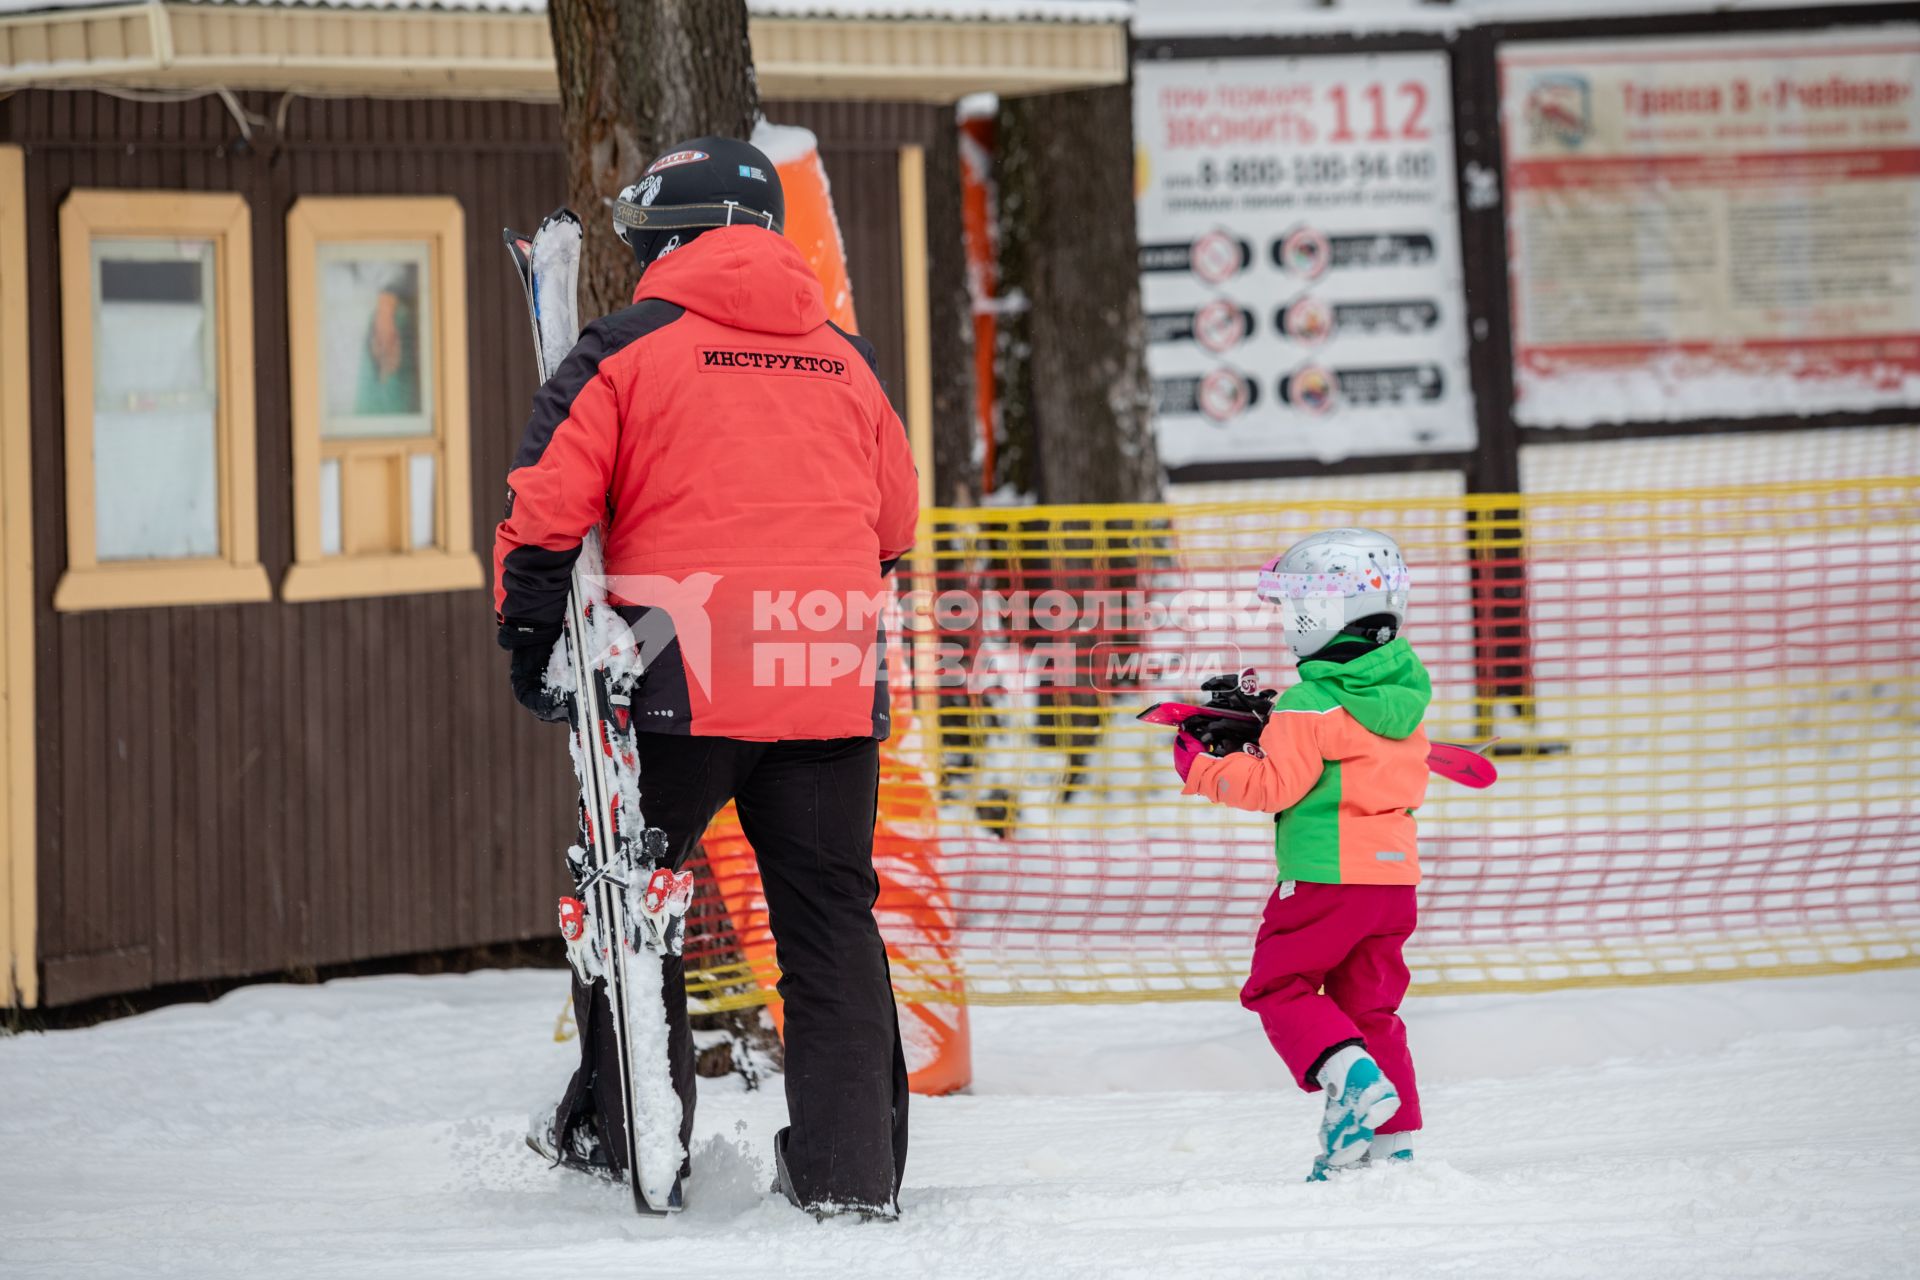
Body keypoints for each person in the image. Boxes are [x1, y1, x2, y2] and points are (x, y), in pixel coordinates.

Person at [493, 136, 919, 1219]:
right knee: (830, 917)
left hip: (673, 678)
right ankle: (848, 1172)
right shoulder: (849, 358)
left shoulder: (625, 349)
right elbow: (895, 522)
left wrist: (532, 641)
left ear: (671, 240)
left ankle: (624, 1132)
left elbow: (547, 509)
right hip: (825, 674)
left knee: (626, 895)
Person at [1171, 528, 1428, 1180]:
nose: (1290, 625)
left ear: (1325, 615)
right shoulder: (1403, 702)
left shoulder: (1309, 704)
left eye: (1296, 612)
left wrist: (1201, 765)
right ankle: (1387, 1145)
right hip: (1392, 885)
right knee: (1369, 1008)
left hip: (1323, 877)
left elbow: (1277, 788)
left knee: (1276, 985)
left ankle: (1355, 1082)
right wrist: (1269, 731)